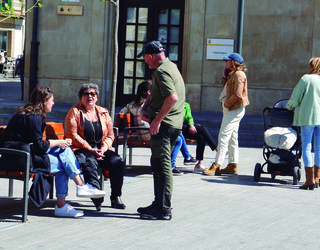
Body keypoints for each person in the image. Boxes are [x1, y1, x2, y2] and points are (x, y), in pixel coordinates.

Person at [4, 86, 105, 217]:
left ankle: (78, 189)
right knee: (62, 164)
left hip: (20, 154)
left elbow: (36, 144)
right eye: (52, 100)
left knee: (64, 150)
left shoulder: (27, 112)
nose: (53, 103)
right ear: (45, 101)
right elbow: (39, 145)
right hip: (21, 158)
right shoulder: (34, 117)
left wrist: (60, 144)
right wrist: (58, 142)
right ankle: (65, 202)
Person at [137, 40, 185, 220]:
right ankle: (158, 203)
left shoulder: (162, 70)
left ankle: (163, 209)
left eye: (145, 59)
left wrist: (157, 120)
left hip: (165, 126)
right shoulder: (171, 66)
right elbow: (157, 93)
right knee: (157, 164)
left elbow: (172, 98)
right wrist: (146, 106)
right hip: (173, 124)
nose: (146, 62)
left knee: (163, 165)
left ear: (149, 56)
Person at [65, 83, 126, 211]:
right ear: (81, 97)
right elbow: (72, 135)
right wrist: (90, 149)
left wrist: (103, 149)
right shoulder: (74, 112)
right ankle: (97, 197)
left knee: (117, 161)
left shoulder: (103, 112)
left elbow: (110, 135)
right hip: (81, 149)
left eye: (93, 94)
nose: (89, 96)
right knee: (90, 161)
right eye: (86, 94)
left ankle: (116, 197)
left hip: (101, 149)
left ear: (96, 97)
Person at [119, 80, 196, 176]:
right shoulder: (151, 104)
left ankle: (186, 158)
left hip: (141, 135)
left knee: (177, 134)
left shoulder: (132, 105)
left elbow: (121, 113)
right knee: (178, 138)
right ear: (148, 92)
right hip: (150, 133)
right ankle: (175, 163)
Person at [203, 53, 249, 176]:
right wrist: (225, 77)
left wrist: (227, 104)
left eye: (227, 61)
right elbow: (228, 90)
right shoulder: (234, 74)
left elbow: (238, 94)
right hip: (232, 109)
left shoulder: (239, 74)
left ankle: (217, 164)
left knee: (223, 136)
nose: (225, 63)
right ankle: (233, 164)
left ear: (233, 62)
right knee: (233, 138)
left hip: (233, 109)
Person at [286, 57, 320, 190]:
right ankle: (317, 178)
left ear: (311, 66)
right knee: (319, 148)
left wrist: (289, 106)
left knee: (306, 146)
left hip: (308, 117)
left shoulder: (306, 78)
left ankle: (309, 180)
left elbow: (296, 97)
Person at [181, 101, 217, 173]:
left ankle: (198, 164)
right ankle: (216, 148)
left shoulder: (186, 104)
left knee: (201, 137)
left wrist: (191, 125)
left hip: (185, 127)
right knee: (203, 129)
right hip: (177, 126)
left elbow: (189, 117)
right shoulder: (173, 102)